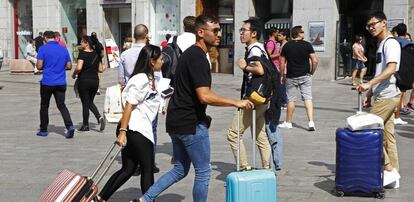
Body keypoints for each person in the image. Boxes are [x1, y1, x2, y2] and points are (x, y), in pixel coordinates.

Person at [137, 15, 254, 202]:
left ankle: (144, 199)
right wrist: (236, 102)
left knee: (180, 169)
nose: (219, 34)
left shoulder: (192, 54)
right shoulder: (198, 58)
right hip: (190, 122)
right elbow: (204, 95)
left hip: (176, 120)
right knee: (203, 171)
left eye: (220, 30)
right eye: (215, 30)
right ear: (201, 32)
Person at [96, 45, 164, 202]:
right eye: (161, 58)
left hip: (138, 128)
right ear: (152, 61)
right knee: (147, 169)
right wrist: (122, 131)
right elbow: (129, 105)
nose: (163, 61)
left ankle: (101, 198)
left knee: (128, 169)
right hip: (135, 129)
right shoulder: (140, 79)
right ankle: (148, 200)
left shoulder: (152, 78)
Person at [357, 11, 401, 188]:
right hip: (383, 94)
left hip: (387, 95)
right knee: (387, 136)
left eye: (374, 23)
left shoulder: (391, 43)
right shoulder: (381, 43)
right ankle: (393, 176)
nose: (371, 27)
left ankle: (388, 169)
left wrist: (369, 85)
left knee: (368, 130)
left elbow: (391, 69)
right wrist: (370, 93)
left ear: (384, 23)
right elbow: (379, 71)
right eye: (369, 25)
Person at [227, 18, 271, 170]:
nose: (240, 33)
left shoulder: (254, 49)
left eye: (243, 30)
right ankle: (267, 169)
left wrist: (245, 66)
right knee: (260, 135)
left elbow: (259, 70)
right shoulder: (261, 48)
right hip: (263, 98)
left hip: (253, 99)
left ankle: (244, 167)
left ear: (253, 33)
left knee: (233, 134)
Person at [35, 31, 75, 138]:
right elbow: (69, 66)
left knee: (44, 106)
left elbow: (39, 66)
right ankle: (69, 126)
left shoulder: (42, 49)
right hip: (60, 82)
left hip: (47, 82)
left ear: (46, 38)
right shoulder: (63, 49)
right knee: (62, 105)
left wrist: (47, 67)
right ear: (54, 37)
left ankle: (43, 130)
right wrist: (60, 67)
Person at [278, 25, 318, 131]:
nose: (304, 33)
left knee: (291, 100)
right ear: (298, 33)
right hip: (305, 75)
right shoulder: (307, 45)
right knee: (308, 98)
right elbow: (315, 61)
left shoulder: (286, 46)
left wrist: (282, 75)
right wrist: (311, 72)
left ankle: (288, 122)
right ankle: (311, 122)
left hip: (291, 76)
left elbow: (282, 63)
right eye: (302, 32)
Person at [71, 35, 105, 131]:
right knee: (89, 102)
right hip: (95, 81)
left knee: (85, 103)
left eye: (82, 42)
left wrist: (74, 74)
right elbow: (100, 69)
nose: (80, 43)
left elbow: (78, 68)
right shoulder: (96, 54)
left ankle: (87, 124)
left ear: (86, 43)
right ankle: (97, 118)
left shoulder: (82, 54)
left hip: (84, 81)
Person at [392, 23, 412, 125]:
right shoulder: (409, 44)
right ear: (405, 31)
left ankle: (392, 115)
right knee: (400, 95)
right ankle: (397, 116)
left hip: (391, 71)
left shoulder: (392, 42)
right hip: (404, 73)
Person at [119, 24, 149, 88]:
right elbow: (157, 76)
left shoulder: (124, 54)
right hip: (147, 91)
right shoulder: (151, 53)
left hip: (130, 91)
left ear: (134, 36)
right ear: (147, 36)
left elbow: (121, 80)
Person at [277, 30, 290, 109]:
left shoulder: (285, 45)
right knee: (282, 85)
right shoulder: (282, 44)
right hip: (283, 67)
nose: (278, 37)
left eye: (280, 35)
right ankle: (283, 101)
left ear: (284, 36)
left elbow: (283, 60)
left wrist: (282, 71)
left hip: (284, 68)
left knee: (282, 85)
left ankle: (284, 102)